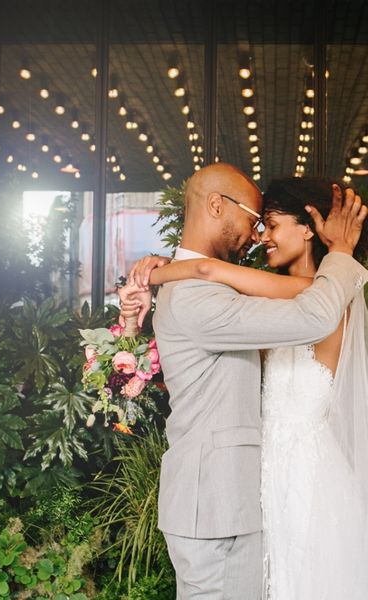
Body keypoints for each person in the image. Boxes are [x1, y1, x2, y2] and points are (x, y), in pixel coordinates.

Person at [119, 164, 368, 600]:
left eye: (269, 225)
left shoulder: (236, 289)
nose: (258, 236)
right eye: (257, 222)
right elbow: (304, 308)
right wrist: (343, 253)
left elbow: (216, 277)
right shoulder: (206, 297)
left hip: (284, 483)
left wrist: (167, 271)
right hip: (223, 502)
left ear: (308, 229)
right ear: (217, 205)